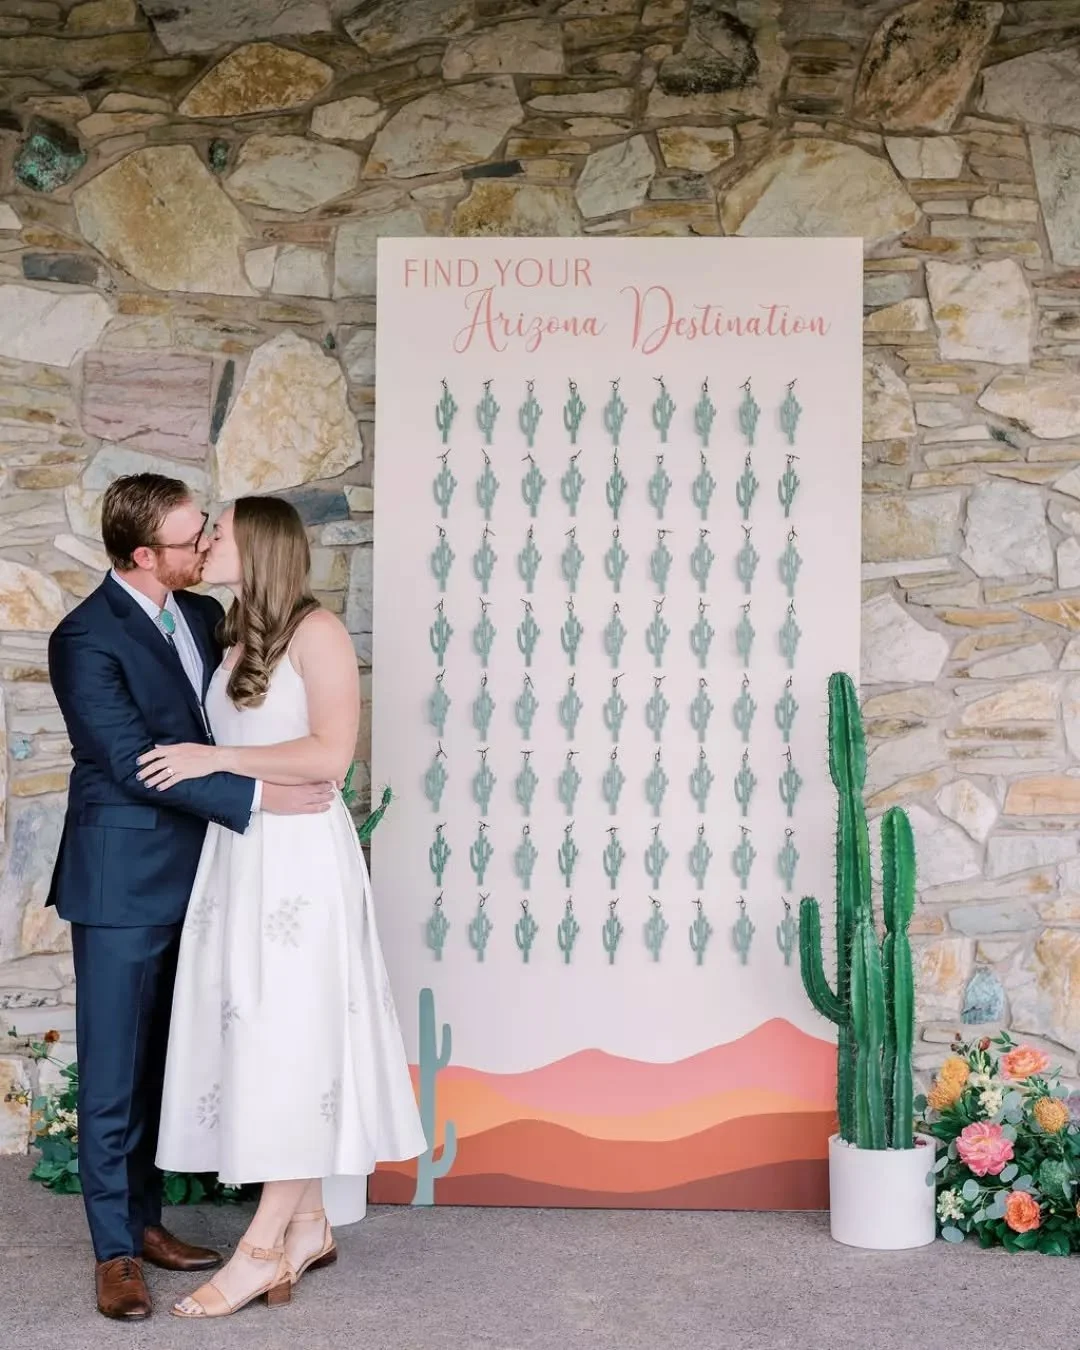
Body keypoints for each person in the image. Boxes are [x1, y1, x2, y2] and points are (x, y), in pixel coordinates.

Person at [47, 473, 335, 1322]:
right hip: (123, 881)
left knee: (161, 1064)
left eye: (207, 529)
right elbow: (134, 760)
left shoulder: (207, 618)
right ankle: (114, 1253)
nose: (206, 544)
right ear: (146, 555)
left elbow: (226, 732)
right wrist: (258, 800)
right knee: (110, 1073)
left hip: (211, 877)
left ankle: (147, 1221)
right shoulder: (84, 638)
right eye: (190, 538)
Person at [145, 494, 425, 1320]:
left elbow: (331, 753)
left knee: (295, 1033)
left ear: (259, 545)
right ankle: (306, 1224)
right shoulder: (230, 631)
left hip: (302, 863)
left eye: (218, 533)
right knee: (261, 1033)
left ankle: (261, 1248)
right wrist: (235, 782)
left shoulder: (319, 632)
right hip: (245, 851)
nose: (204, 543)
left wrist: (212, 757)